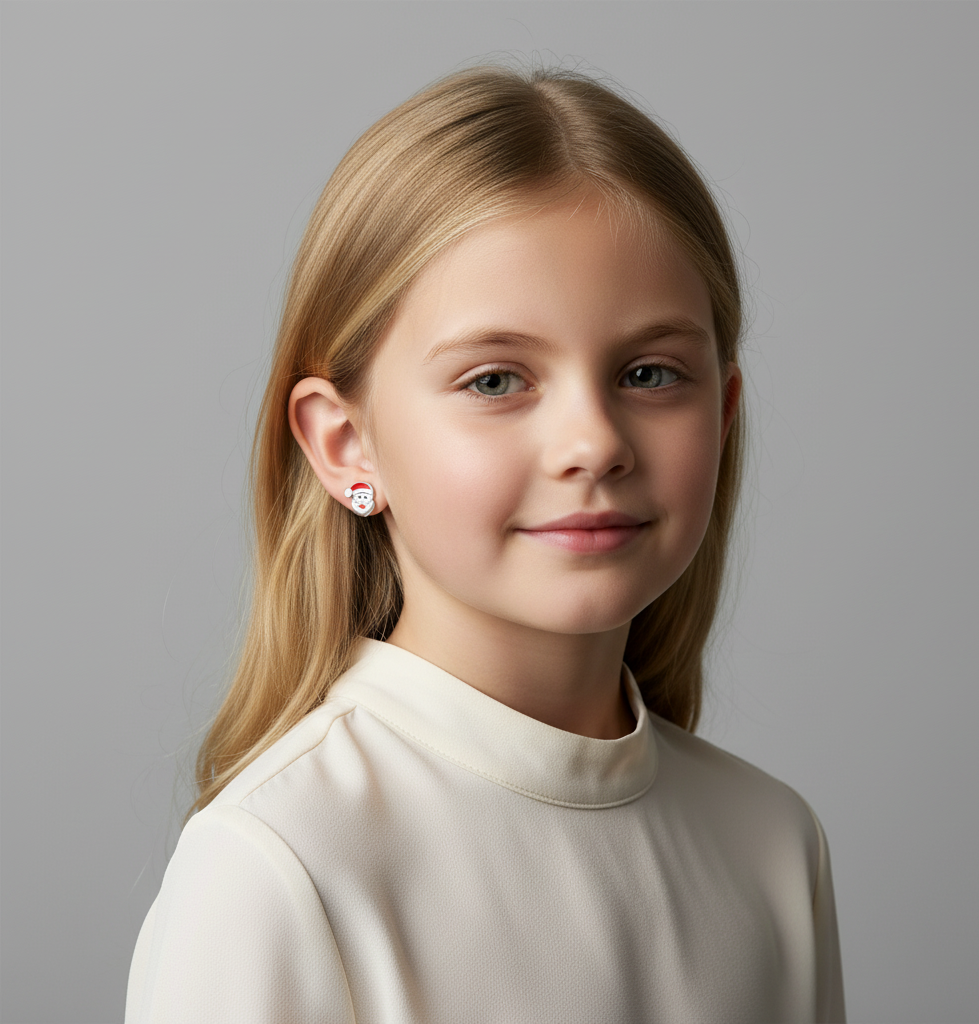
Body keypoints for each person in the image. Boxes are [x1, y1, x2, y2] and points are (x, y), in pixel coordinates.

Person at [125, 61, 845, 1023]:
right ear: (346, 445)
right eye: (496, 381)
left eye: (649, 372)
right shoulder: (279, 867)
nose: (593, 442)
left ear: (725, 411)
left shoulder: (770, 844)